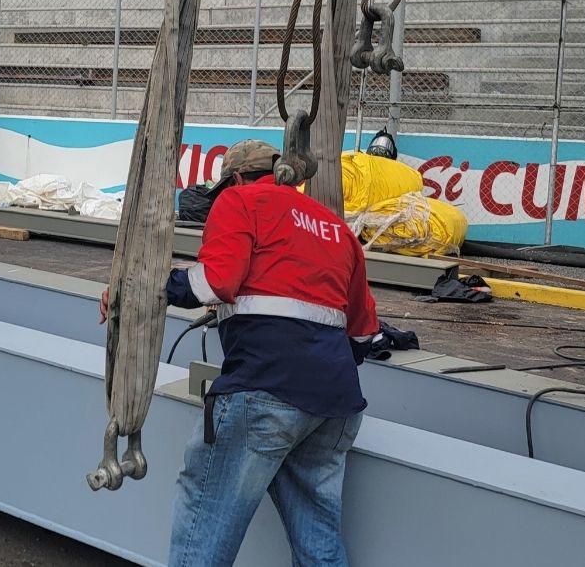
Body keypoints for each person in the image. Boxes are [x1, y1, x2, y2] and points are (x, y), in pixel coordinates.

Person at [99, 139, 378, 567]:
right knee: (316, 532)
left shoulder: (240, 201)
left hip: (264, 392)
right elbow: (362, 336)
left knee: (204, 522)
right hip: (335, 404)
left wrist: (141, 287)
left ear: (234, 179)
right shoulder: (334, 227)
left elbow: (216, 282)